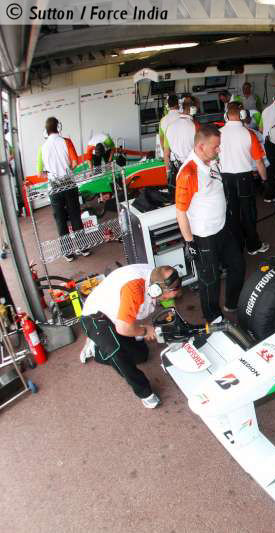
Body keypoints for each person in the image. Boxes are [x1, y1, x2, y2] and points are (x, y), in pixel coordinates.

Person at [79, 265, 182, 408]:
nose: (166, 298)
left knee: (141, 356)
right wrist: (145, 331)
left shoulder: (158, 276)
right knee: (117, 352)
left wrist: (173, 319)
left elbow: (169, 302)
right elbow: (123, 328)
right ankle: (144, 393)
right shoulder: (134, 289)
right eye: (164, 296)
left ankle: (107, 342)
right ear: (155, 289)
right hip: (95, 317)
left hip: (118, 317)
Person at [175, 125, 245, 323]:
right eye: (215, 147)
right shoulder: (188, 173)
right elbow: (180, 212)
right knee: (210, 279)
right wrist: (190, 242)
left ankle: (231, 303)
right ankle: (212, 317)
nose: (219, 149)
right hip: (204, 235)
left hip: (222, 227)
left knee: (238, 265)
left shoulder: (211, 161)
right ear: (200, 147)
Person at [219, 102, 270, 256]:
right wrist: (265, 180)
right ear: (242, 115)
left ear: (226, 116)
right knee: (249, 213)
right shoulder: (249, 134)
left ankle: (236, 247)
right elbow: (259, 162)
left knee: (232, 213)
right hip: (244, 178)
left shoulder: (218, 133)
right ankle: (253, 245)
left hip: (225, 179)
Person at [36, 117, 90, 262]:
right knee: (75, 216)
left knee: (60, 220)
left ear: (46, 131)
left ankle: (68, 252)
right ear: (58, 127)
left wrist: (50, 174)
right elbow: (75, 162)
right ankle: (83, 247)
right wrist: (67, 170)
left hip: (54, 188)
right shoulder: (66, 141)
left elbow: (40, 173)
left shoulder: (42, 148)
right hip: (69, 184)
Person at [164, 96, 199, 199]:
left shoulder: (169, 127)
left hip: (176, 171)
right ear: (193, 109)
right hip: (192, 170)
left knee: (180, 200)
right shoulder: (195, 126)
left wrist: (168, 172)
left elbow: (166, 154)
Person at [159, 95, 181, 159]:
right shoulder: (183, 116)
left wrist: (166, 153)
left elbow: (162, 140)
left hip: (170, 155)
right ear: (178, 103)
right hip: (184, 154)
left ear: (168, 105)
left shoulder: (162, 120)